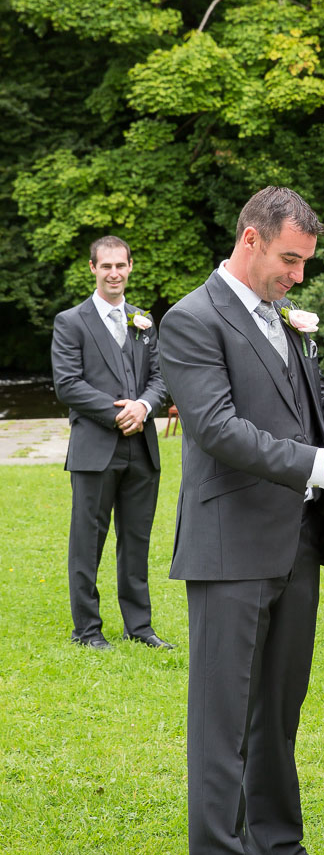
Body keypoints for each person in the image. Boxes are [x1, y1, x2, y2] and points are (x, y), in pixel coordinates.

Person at [158, 186, 324, 855]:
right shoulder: (192, 320)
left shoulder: (282, 318)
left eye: (304, 264)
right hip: (229, 544)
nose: (298, 277)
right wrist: (319, 466)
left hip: (295, 540)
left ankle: (279, 845)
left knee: (278, 709)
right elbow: (219, 428)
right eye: (290, 260)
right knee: (223, 716)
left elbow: (306, 394)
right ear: (251, 240)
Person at [51, 236, 171, 651]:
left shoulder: (144, 321)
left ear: (131, 266)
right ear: (92, 269)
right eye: (106, 267)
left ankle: (139, 628)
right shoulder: (71, 321)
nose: (114, 273)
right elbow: (67, 385)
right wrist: (118, 412)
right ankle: (87, 630)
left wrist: (144, 405)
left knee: (136, 541)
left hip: (142, 448)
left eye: (121, 265)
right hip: (94, 448)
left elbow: (162, 378)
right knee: (87, 543)